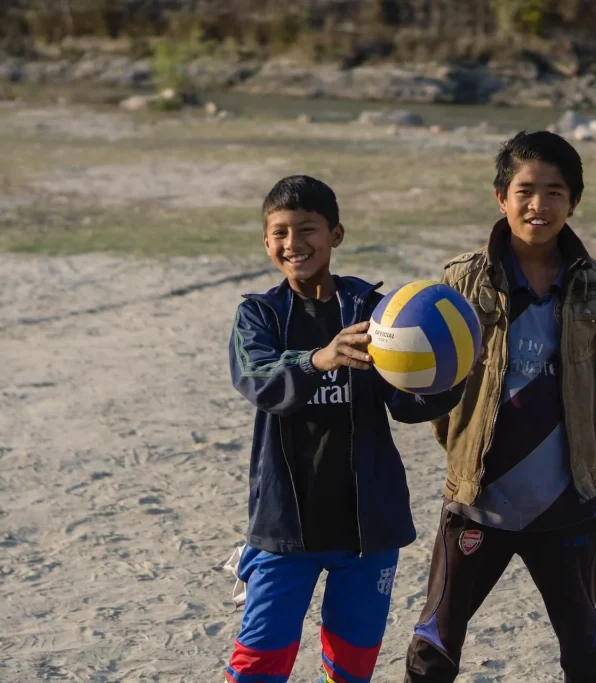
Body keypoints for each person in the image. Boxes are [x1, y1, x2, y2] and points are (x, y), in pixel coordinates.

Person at [403, 131, 596, 683]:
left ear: (574, 200)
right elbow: (439, 389)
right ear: (501, 197)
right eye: (525, 190)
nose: (539, 205)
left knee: (584, 647)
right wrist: (465, 454)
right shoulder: (460, 281)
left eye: (555, 192)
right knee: (434, 647)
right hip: (479, 501)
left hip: (565, 502)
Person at [226, 175, 464, 683]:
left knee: (350, 668)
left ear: (335, 234)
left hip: (368, 527)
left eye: (307, 229)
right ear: (267, 242)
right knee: (258, 667)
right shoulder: (259, 314)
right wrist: (318, 360)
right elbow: (257, 377)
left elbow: (404, 403)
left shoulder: (373, 312)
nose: (294, 244)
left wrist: (451, 375)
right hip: (285, 527)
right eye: (281, 233)